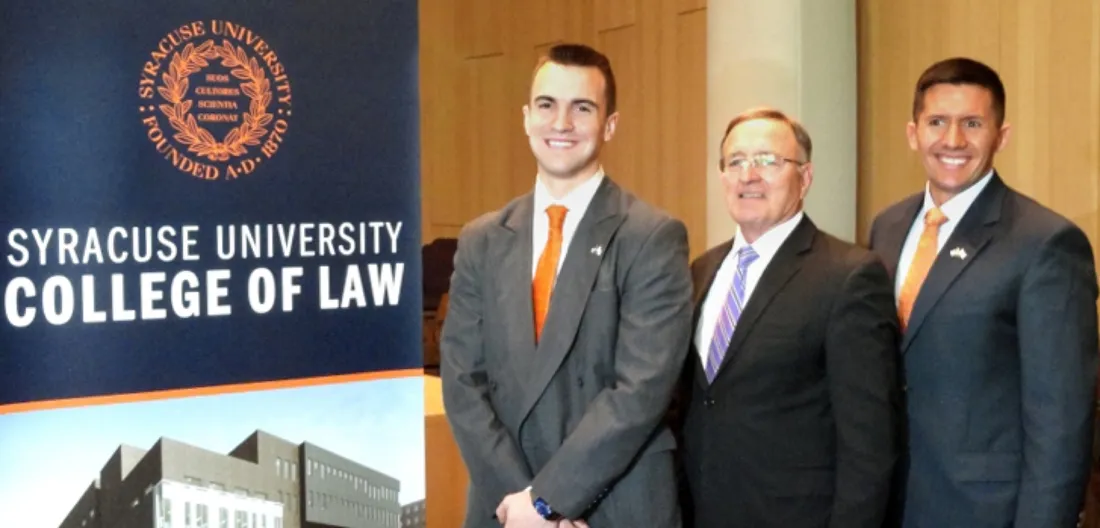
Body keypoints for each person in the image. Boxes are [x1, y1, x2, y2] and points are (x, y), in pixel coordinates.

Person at [440, 42, 693, 528]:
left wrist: (548, 502)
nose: (562, 123)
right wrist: (521, 503)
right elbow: (462, 382)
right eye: (546, 105)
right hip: (504, 507)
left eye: (582, 108)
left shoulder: (651, 236)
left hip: (611, 503)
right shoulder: (482, 239)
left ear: (610, 125)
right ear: (525, 118)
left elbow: (639, 391)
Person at [868, 56, 1099, 528]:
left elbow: (1061, 417)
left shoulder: (1045, 243)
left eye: (972, 123)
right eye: (937, 122)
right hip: (891, 501)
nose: (953, 140)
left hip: (985, 511)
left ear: (1001, 135)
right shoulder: (887, 227)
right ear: (913, 133)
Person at [676, 107, 901, 528]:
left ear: (806, 177)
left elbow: (869, 444)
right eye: (736, 162)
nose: (749, 175)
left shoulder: (848, 275)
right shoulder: (701, 271)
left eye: (768, 161)